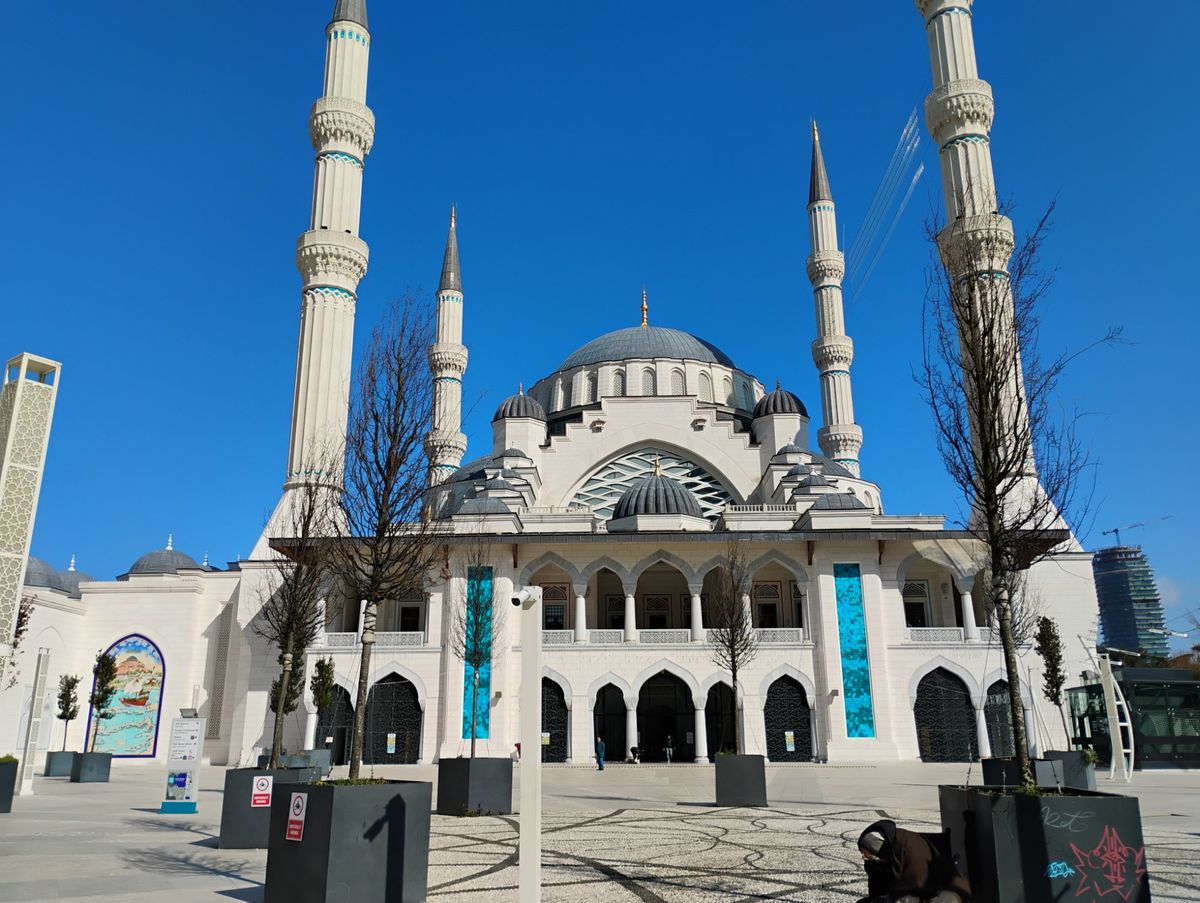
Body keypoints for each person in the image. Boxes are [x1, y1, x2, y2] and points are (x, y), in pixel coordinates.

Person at [856, 819, 970, 903]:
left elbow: (916, 885)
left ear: (881, 849)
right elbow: (876, 885)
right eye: (865, 855)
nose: (867, 859)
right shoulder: (880, 860)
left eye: (870, 855)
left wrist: (888, 898)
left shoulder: (910, 848)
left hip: (942, 892)